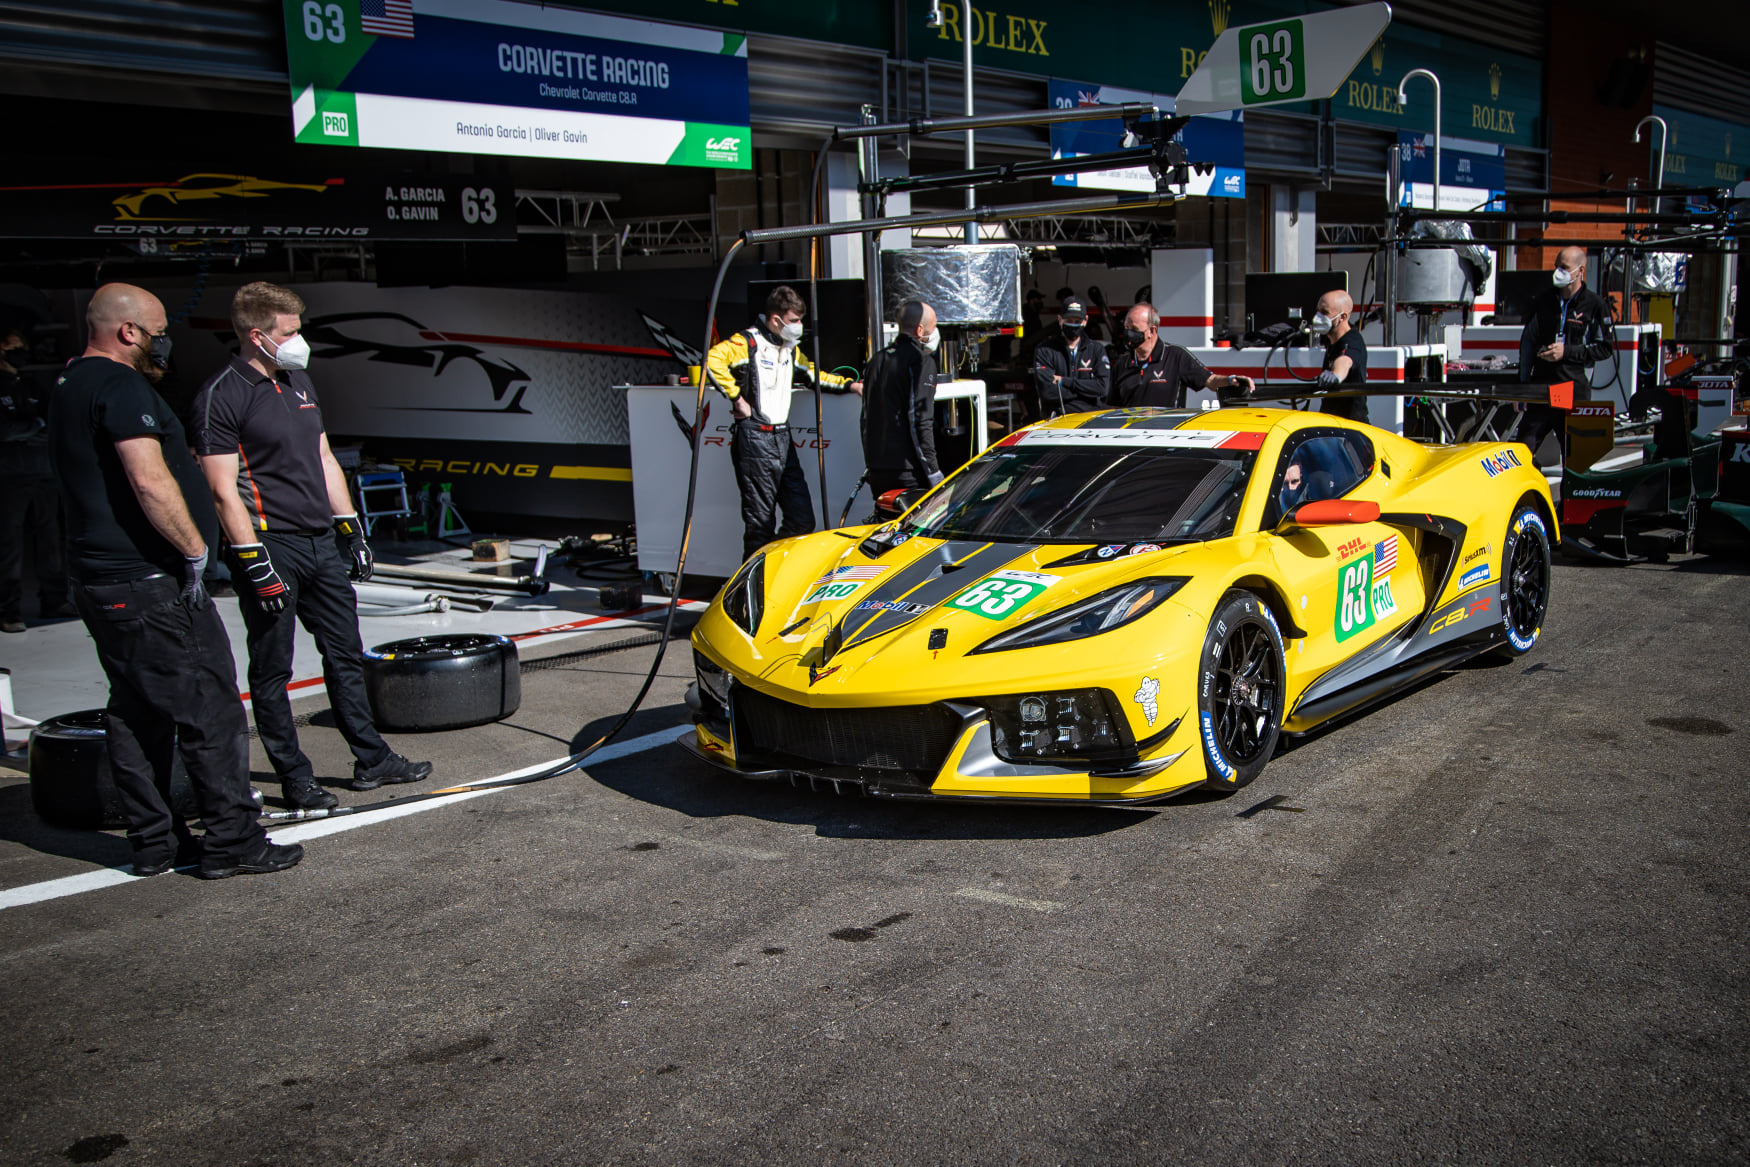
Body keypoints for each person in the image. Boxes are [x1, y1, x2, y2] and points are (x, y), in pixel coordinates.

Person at [49, 283, 300, 879]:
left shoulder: (68, 383)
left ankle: (156, 841)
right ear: (129, 331)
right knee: (210, 709)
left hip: (100, 581)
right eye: (159, 332)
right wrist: (193, 551)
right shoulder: (120, 385)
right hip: (149, 582)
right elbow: (149, 479)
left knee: (136, 712)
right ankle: (233, 840)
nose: (165, 343)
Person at [195, 282, 431, 811]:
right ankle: (295, 778)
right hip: (269, 545)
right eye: (289, 332)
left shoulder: (297, 381)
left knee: (345, 653)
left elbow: (324, 458)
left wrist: (351, 528)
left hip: (320, 543)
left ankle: (372, 759)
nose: (299, 341)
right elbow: (221, 490)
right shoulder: (221, 396)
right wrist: (252, 561)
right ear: (256, 335)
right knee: (272, 669)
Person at [704, 285, 861, 561]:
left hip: (783, 438)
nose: (799, 326)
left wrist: (851, 385)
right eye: (794, 320)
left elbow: (813, 374)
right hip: (754, 438)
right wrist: (737, 398)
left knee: (802, 520)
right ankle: (753, 580)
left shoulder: (790, 349)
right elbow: (712, 360)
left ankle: (772, 564)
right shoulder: (747, 342)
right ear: (776, 320)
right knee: (760, 524)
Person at [0, 329, 71, 633]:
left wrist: (29, 429)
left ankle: (54, 601)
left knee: (50, 541)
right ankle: (8, 610)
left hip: (43, 474)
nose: (20, 352)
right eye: (12, 347)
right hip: (9, 478)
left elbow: (51, 425)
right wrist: (33, 427)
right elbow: (4, 431)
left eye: (22, 347)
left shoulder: (32, 385)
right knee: (9, 546)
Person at [1516, 246, 1613, 460]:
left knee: (1575, 458)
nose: (1558, 272)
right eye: (1556, 266)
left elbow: (1605, 348)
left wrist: (1566, 352)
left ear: (1580, 271)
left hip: (1573, 390)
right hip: (1542, 388)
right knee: (1521, 451)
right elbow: (1528, 343)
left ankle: (1570, 483)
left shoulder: (1595, 305)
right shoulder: (1543, 301)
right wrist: (1522, 386)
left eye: (1565, 267)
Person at [861, 300, 942, 500]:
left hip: (878, 469)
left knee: (885, 519)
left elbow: (865, 418)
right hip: (909, 471)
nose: (935, 333)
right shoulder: (921, 361)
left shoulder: (876, 360)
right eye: (933, 328)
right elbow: (920, 420)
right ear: (920, 330)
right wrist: (934, 472)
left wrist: (870, 464)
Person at [1109, 303, 1254, 408]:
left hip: (1166, 433)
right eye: (1126, 328)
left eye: (1134, 329)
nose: (1128, 333)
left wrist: (1231, 380)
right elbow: (1113, 408)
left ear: (1152, 331)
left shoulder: (1175, 356)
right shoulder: (1122, 363)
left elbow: (1210, 380)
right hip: (1131, 435)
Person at [1033, 298, 1109, 416]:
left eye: (1077, 321)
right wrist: (1087, 392)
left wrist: (1065, 381)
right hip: (1057, 418)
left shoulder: (1096, 349)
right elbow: (1047, 392)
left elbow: (1102, 388)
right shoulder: (1045, 350)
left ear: (1085, 321)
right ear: (1060, 320)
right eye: (1069, 320)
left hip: (1090, 418)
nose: (1073, 325)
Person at [1312, 289, 1369, 423]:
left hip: (1350, 424)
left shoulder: (1353, 341)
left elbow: (1345, 361)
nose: (1317, 317)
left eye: (1325, 312)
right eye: (1318, 311)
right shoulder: (1330, 339)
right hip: (1331, 420)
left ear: (1342, 317)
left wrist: (1335, 375)